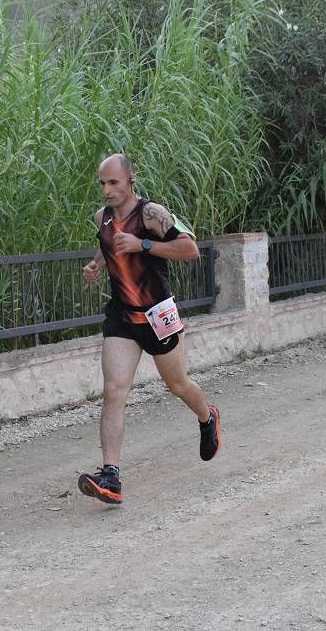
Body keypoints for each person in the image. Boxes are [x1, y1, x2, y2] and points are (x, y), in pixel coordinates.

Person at [77, 153, 220, 504]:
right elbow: (107, 244)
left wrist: (143, 244)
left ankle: (207, 417)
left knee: (177, 383)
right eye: (102, 184)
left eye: (113, 182)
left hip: (158, 315)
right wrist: (96, 265)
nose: (107, 190)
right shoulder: (103, 217)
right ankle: (111, 476)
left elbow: (191, 249)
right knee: (114, 389)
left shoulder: (152, 214)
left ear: (130, 180)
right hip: (123, 316)